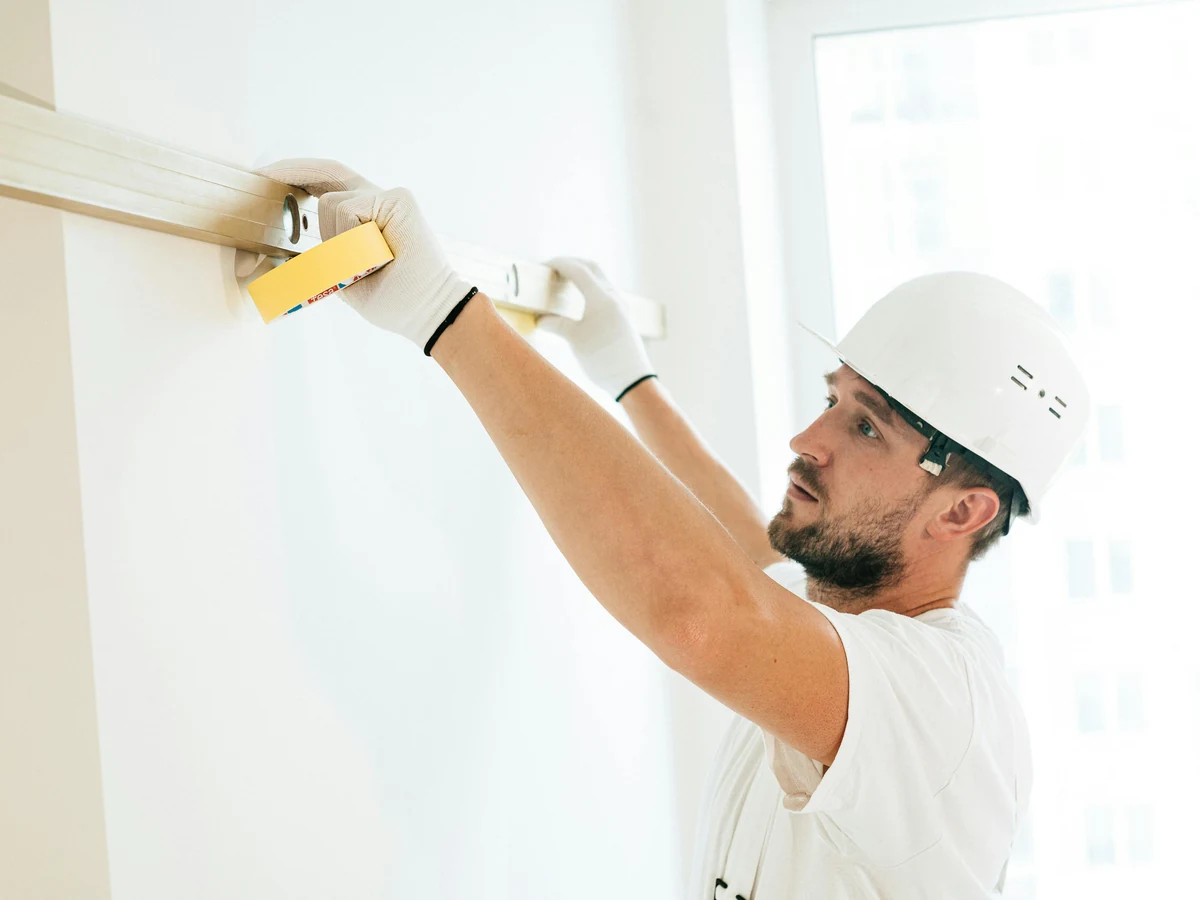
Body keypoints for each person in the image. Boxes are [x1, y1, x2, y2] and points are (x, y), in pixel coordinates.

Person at [257, 159, 1091, 898]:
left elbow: (706, 610)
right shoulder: (839, 617)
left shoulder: (948, 705)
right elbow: (745, 551)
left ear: (962, 510)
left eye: (866, 427)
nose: (808, 439)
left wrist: (444, 313)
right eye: (831, 400)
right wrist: (630, 376)